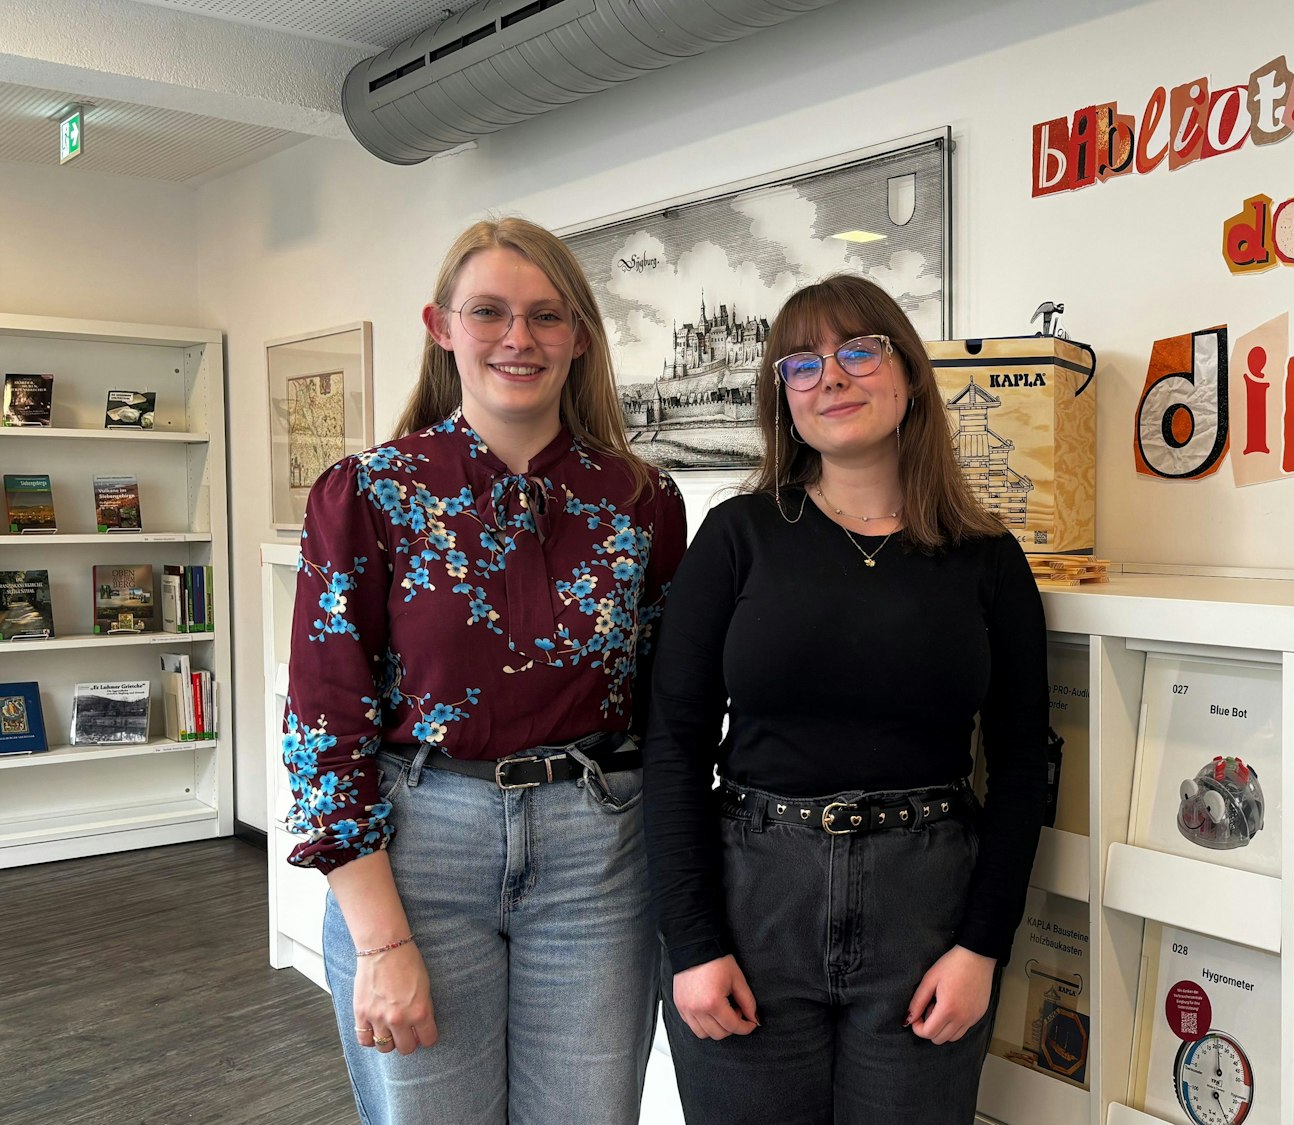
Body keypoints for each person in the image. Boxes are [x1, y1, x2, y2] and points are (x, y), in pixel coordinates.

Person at [280, 217, 686, 1124]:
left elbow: (668, 711)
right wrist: (380, 942)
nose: (519, 338)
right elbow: (323, 730)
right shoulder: (370, 493)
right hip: (422, 848)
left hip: (598, 855)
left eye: (546, 316)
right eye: (490, 312)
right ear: (441, 326)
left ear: (579, 336)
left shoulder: (642, 500)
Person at [643, 274, 1048, 1123]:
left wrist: (983, 945)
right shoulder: (738, 536)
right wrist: (693, 941)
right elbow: (674, 743)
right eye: (802, 363)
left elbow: (1019, 763)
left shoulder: (986, 559)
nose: (831, 376)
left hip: (926, 911)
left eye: (858, 350)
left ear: (907, 377)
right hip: (754, 901)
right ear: (783, 397)